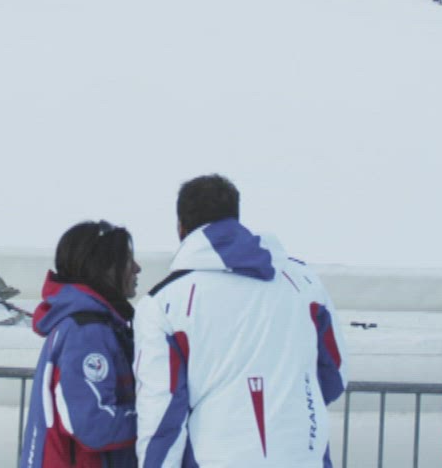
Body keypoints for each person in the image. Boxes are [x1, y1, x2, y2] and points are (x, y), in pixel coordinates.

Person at [134, 175, 343, 468]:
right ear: (236, 216)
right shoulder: (304, 281)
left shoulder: (163, 303)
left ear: (181, 227)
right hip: (302, 457)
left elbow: (162, 412)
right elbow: (335, 375)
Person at [21, 220, 141, 468]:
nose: (137, 268)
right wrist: (156, 416)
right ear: (105, 268)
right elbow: (92, 423)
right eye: (127, 260)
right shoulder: (87, 332)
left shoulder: (93, 325)